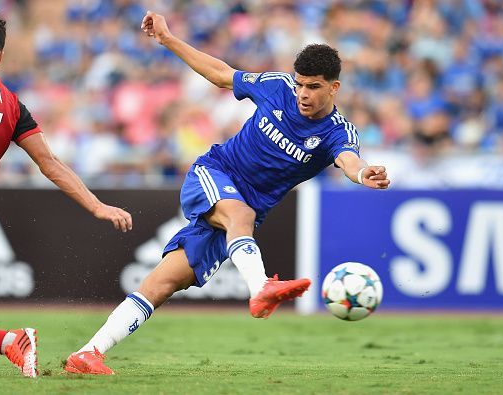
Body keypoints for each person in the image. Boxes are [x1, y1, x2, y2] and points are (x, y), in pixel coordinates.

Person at [64, 11, 390, 375]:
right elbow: (221, 74)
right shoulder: (276, 87)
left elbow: (349, 160)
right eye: (300, 84)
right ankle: (260, 287)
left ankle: (88, 353)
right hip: (215, 173)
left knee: (163, 282)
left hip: (239, 218)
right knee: (242, 215)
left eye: (313, 87)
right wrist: (168, 38)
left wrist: (363, 174)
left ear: (334, 87)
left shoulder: (336, 132)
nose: (302, 93)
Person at [0, 10, 132, 378]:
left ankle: (12, 341)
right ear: (0, 57)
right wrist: (97, 205)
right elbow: (50, 162)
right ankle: (10, 342)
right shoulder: (12, 104)